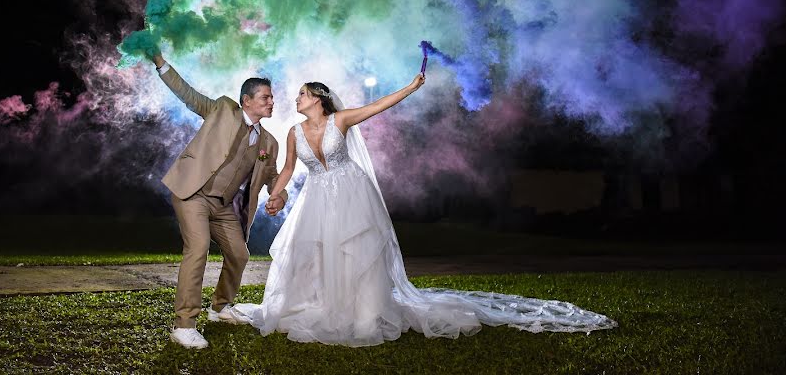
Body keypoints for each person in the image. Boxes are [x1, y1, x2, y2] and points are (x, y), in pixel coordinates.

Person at [233, 72, 617, 346]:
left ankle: (365, 314)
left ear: (317, 98)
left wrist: (411, 87)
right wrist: (277, 194)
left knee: (357, 251)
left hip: (351, 193)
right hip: (317, 197)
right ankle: (325, 306)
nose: (295, 99)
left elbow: (379, 106)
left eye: (301, 94)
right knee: (318, 253)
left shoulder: (340, 119)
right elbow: (285, 169)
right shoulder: (293, 132)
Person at [151, 53, 288, 349]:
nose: (271, 102)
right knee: (198, 248)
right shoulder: (223, 109)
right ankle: (183, 325)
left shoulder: (269, 143)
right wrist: (161, 62)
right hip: (193, 194)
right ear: (246, 100)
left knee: (240, 255)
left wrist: (280, 195)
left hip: (224, 207)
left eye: (272, 98)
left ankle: (220, 308)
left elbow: (274, 178)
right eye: (265, 97)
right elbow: (188, 94)